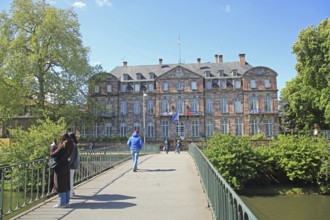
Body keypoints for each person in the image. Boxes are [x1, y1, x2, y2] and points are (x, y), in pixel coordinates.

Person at [50, 133, 74, 208]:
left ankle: (61, 203)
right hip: (66, 165)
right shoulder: (71, 145)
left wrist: (52, 146)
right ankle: (66, 202)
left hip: (60, 166)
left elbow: (52, 154)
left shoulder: (63, 146)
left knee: (60, 184)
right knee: (66, 184)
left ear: (62, 138)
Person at [68, 132, 80, 199]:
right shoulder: (75, 144)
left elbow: (71, 156)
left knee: (69, 179)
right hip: (73, 164)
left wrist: (68, 164)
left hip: (71, 165)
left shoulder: (72, 145)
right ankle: (72, 192)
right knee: (71, 179)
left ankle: (70, 194)